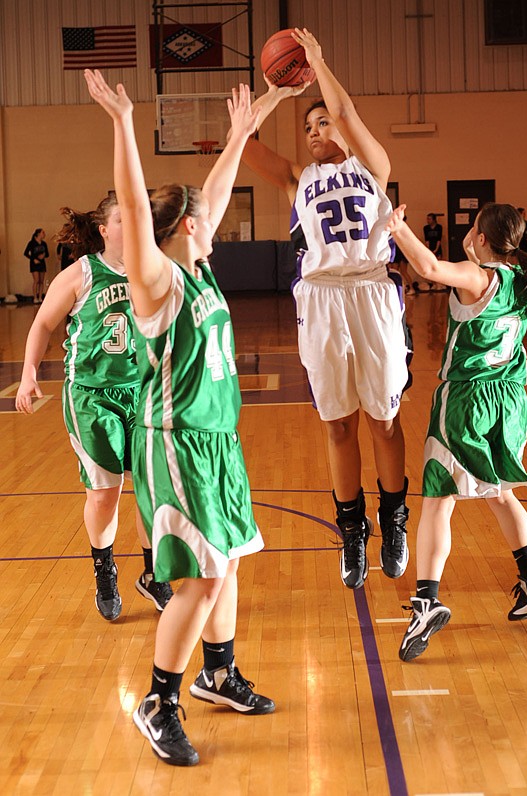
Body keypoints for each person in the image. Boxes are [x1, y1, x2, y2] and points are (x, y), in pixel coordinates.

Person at [84, 68, 274, 767]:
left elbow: (211, 193)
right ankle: (158, 700)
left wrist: (240, 134)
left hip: (218, 443)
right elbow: (137, 211)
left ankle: (218, 674)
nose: (217, 216)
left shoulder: (198, 268)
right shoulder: (156, 281)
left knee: (226, 568)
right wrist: (123, 122)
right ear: (188, 226)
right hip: (174, 445)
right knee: (199, 577)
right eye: (207, 213)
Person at [242, 28, 411, 590]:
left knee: (383, 420)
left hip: (371, 291)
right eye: (308, 127)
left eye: (323, 124)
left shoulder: (372, 165)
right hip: (319, 300)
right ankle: (353, 529)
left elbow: (344, 106)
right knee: (338, 424)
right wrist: (277, 93)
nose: (315, 131)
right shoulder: (297, 179)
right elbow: (242, 143)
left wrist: (316, 60)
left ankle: (394, 518)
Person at [386, 202, 527, 662]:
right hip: (510, 401)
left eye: (473, 228)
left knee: (438, 501)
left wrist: (396, 227)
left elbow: (426, 266)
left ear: (481, 238)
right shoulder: (524, 279)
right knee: (500, 493)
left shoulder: (478, 276)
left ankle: (425, 602)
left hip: (467, 401)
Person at [16, 196, 173, 620]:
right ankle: (104, 569)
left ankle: (154, 575)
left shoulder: (153, 268)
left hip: (141, 392)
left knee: (149, 490)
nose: (134, 225)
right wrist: (30, 373)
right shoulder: (82, 273)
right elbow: (43, 323)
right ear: (104, 229)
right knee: (106, 494)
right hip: (91, 395)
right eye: (124, 219)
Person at [24, 228, 49, 304]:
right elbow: (25, 253)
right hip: (34, 263)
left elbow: (47, 254)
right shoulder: (31, 243)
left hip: (42, 263)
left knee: (41, 281)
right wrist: (33, 259)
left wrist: (43, 255)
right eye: (43, 232)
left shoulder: (44, 244)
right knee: (36, 280)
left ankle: (40, 297)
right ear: (38, 234)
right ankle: (35, 297)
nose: (44, 234)